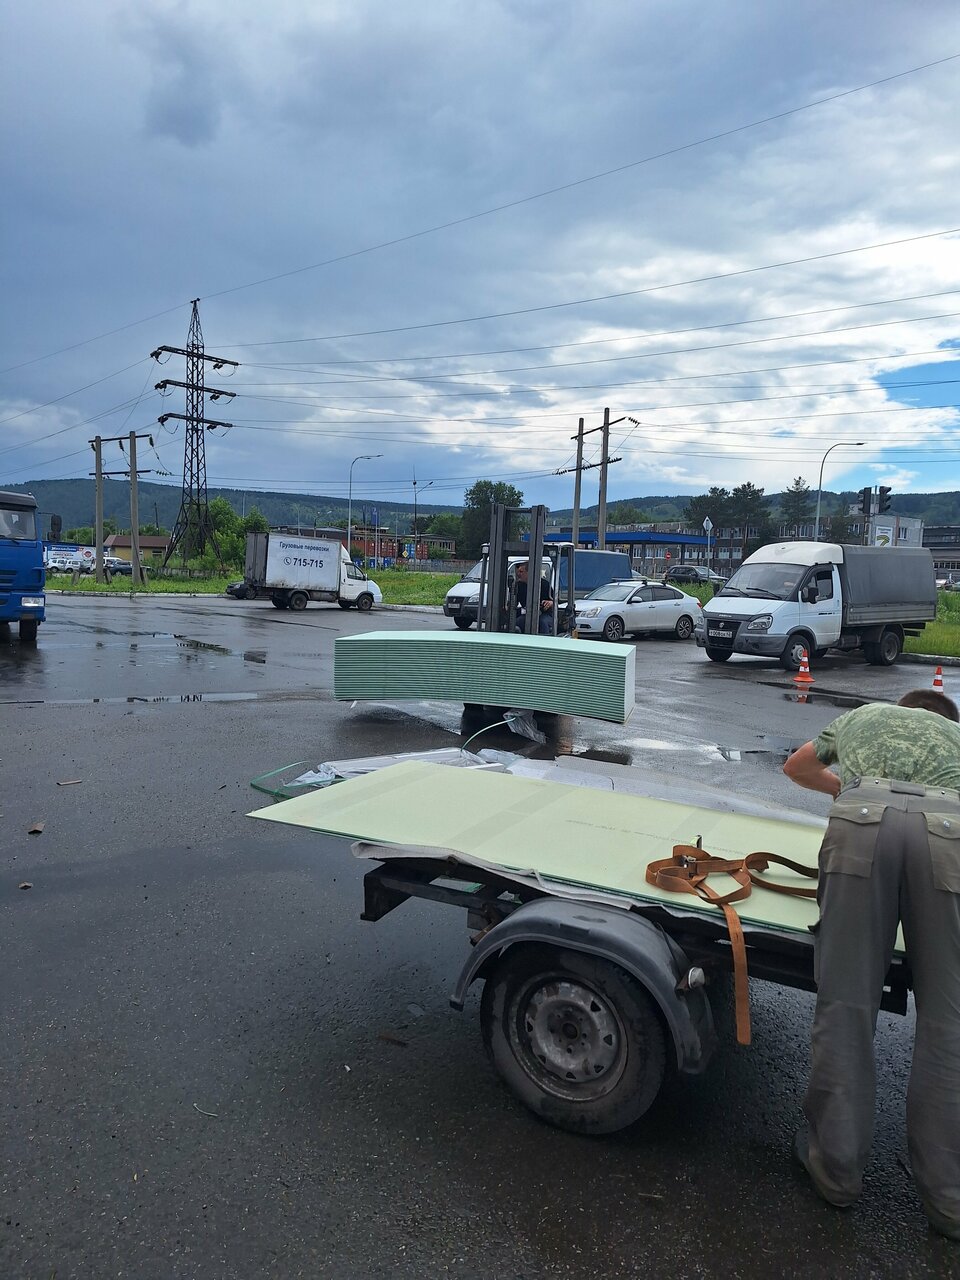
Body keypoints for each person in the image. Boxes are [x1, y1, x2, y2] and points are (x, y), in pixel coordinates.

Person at [783, 688, 960, 1241]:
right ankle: (949, 1200)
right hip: (950, 833)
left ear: (903, 708)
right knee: (949, 1023)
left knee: (846, 1005)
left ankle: (836, 1171)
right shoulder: (958, 738)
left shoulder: (867, 715)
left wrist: (849, 790)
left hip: (861, 822)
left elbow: (797, 766)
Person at [514, 561, 554, 635]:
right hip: (528, 614)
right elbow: (514, 603)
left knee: (542, 622)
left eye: (521, 572)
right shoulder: (519, 586)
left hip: (545, 614)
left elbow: (555, 601)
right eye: (518, 571)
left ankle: (543, 640)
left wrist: (551, 603)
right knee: (517, 622)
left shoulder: (545, 585)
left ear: (529, 573)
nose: (518, 574)